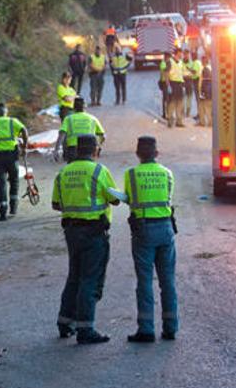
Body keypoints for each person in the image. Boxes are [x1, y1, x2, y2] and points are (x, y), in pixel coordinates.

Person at [52, 134, 121, 344]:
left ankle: (65, 323)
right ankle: (85, 329)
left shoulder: (63, 172)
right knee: (90, 280)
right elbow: (115, 199)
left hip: (72, 232)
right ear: (95, 150)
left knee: (74, 276)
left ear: (76, 149)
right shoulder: (99, 171)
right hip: (94, 232)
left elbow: (56, 204)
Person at [124, 136, 178, 342]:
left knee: (145, 281)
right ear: (157, 153)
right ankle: (170, 327)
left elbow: (129, 198)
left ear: (138, 154)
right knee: (168, 281)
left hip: (143, 230)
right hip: (165, 228)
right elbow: (168, 198)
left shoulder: (131, 175)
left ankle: (146, 329)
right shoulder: (167, 174)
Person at [54, 97, 105, 163]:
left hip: (73, 149)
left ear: (74, 108)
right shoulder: (92, 118)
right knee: (89, 169)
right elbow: (102, 135)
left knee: (72, 170)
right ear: (84, 107)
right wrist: (99, 146)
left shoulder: (68, 119)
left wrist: (56, 150)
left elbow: (62, 135)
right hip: (89, 149)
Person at [165, 50, 185, 127]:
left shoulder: (180, 62)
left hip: (180, 84)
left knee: (180, 103)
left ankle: (179, 121)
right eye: (180, 54)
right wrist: (168, 85)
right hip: (173, 84)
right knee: (172, 103)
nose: (181, 55)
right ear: (176, 54)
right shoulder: (170, 62)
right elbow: (166, 73)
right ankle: (170, 121)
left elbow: (182, 73)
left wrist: (183, 84)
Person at [184, 52, 202, 119]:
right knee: (198, 99)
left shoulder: (196, 62)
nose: (191, 57)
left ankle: (199, 114)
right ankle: (199, 114)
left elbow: (194, 71)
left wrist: (189, 69)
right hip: (198, 80)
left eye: (192, 56)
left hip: (196, 81)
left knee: (198, 99)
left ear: (194, 56)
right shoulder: (199, 62)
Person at [197, 55, 213, 127]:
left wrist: (203, 93)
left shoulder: (206, 69)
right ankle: (202, 121)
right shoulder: (209, 68)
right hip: (206, 91)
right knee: (201, 106)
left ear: (204, 61)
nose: (201, 62)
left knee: (207, 107)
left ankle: (209, 122)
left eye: (202, 61)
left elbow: (206, 82)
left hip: (205, 92)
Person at [158, 52, 171, 120]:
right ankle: (165, 114)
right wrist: (167, 83)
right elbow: (165, 72)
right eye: (168, 57)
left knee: (167, 98)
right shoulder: (163, 63)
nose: (169, 59)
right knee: (166, 99)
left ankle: (166, 113)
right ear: (166, 57)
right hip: (164, 83)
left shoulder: (167, 63)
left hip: (167, 82)